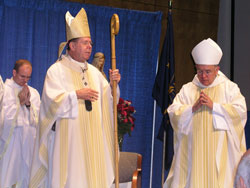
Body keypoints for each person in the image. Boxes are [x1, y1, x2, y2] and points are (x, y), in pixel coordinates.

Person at [30, 8, 121, 188]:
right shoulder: (56, 71)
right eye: (85, 43)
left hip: (94, 144)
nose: (90, 47)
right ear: (72, 45)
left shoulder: (95, 74)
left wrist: (112, 86)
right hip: (69, 143)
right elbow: (50, 104)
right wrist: (75, 95)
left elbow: (110, 103)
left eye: (90, 43)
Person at [164, 38, 247, 188]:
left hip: (221, 161)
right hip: (193, 157)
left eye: (208, 71)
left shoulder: (230, 89)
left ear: (217, 69)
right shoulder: (188, 90)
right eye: (200, 71)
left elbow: (240, 112)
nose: (203, 76)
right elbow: (173, 112)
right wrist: (191, 109)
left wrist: (214, 106)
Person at [0, 59, 40, 188]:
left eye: (28, 77)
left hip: (28, 143)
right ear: (14, 72)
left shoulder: (33, 92)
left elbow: (38, 122)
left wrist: (28, 104)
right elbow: (3, 119)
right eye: (23, 76)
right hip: (11, 144)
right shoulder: (4, 91)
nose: (25, 80)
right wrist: (19, 103)